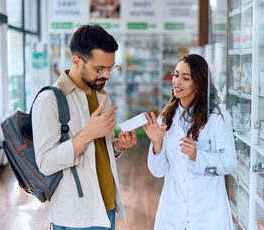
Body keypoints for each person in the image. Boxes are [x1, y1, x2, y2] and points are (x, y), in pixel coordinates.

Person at [32, 24, 137, 230]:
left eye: (110, 68)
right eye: (99, 69)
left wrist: (117, 147)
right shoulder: (50, 100)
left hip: (106, 207)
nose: (106, 75)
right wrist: (88, 133)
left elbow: (97, 152)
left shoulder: (101, 96)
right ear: (76, 61)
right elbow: (45, 163)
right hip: (75, 217)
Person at [142, 54, 237, 230]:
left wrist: (198, 156)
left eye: (185, 78)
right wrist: (157, 144)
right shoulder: (166, 117)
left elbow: (230, 163)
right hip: (173, 212)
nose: (177, 82)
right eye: (176, 75)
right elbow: (157, 172)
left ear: (199, 83)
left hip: (207, 214)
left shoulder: (217, 118)